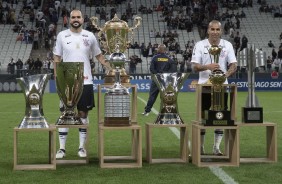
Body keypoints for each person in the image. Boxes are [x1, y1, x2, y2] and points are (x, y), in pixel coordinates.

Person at [53, 9, 112, 159]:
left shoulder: (90, 36)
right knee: (65, 114)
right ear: (69, 19)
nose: (75, 19)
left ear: (82, 19)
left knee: (83, 113)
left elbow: (98, 55)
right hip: (67, 82)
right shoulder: (62, 35)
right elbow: (57, 57)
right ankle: (62, 149)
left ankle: (81, 147)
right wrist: (57, 76)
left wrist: (111, 67)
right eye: (73, 17)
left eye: (78, 17)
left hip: (86, 81)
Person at [191, 20, 237, 156]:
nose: (215, 32)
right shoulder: (200, 45)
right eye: (213, 29)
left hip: (222, 86)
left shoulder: (227, 45)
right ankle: (200, 147)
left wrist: (225, 75)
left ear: (221, 31)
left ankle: (216, 147)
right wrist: (208, 67)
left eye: (218, 30)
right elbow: (194, 66)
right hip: (204, 86)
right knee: (203, 117)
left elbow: (233, 64)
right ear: (208, 30)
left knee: (221, 116)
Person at [142, 44, 177, 116]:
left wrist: (157, 74)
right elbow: (173, 69)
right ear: (164, 50)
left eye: (158, 48)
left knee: (152, 96)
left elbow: (151, 69)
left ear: (160, 49)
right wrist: (165, 75)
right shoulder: (169, 59)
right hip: (165, 81)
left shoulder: (155, 58)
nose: (157, 49)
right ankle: (164, 112)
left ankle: (147, 111)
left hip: (156, 80)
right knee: (165, 96)